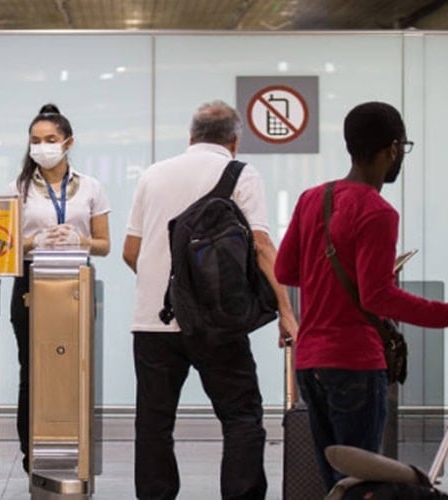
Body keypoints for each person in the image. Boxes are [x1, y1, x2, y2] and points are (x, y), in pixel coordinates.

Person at [274, 101, 448, 492]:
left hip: (310, 363)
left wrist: (339, 274)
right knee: (363, 485)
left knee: (336, 482)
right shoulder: (377, 211)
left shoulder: (313, 198)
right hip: (353, 364)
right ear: (393, 148)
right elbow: (379, 297)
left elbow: (286, 271)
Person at [122, 100, 298, 500]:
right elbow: (262, 246)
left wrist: (168, 287)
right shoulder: (241, 174)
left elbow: (130, 251)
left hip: (153, 322)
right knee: (241, 417)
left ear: (190, 137)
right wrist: (286, 311)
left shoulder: (153, 174)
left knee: (154, 422)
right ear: (235, 141)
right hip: (217, 322)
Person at [7, 103, 111, 472]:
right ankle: (30, 450)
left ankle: (74, 443)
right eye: (35, 140)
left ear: (68, 142)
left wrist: (78, 239)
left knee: (74, 366)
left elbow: (104, 244)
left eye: (50, 139)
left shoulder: (91, 187)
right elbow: (5, 247)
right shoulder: (18, 187)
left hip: (74, 284)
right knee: (32, 369)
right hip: (31, 285)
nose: (42, 147)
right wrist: (36, 241)